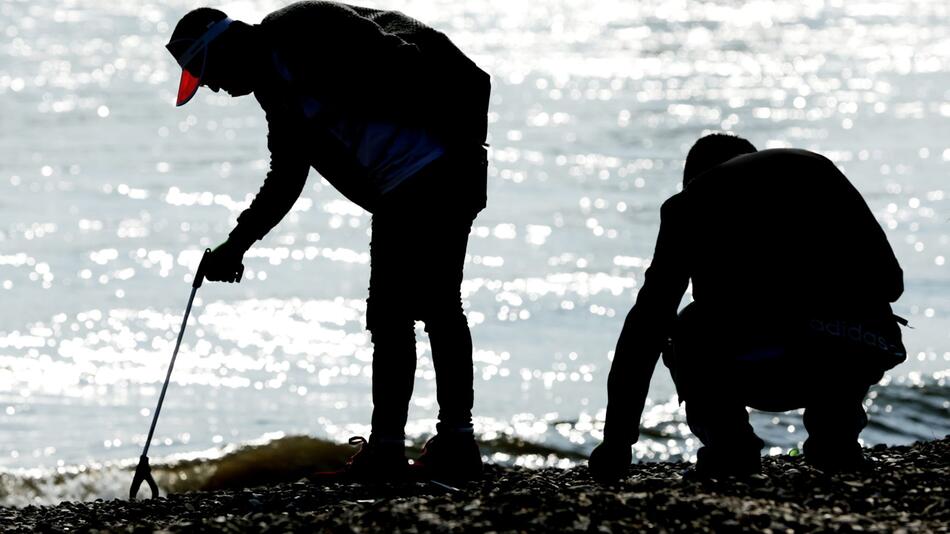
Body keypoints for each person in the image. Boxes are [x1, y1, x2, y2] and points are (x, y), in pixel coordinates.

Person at [165, 2, 490, 482]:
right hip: (412, 181)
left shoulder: (299, 25)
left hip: (432, 170)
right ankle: (453, 445)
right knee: (434, 307)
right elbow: (287, 176)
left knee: (397, 312)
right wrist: (237, 243)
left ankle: (391, 452)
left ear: (225, 47)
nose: (212, 87)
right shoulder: (276, 93)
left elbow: (402, 56)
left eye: (205, 73)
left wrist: (452, 140)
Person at [589, 133, 906, 480]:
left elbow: (646, 327)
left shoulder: (688, 205)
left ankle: (731, 447)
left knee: (688, 327)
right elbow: (891, 283)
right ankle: (836, 439)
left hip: (763, 358)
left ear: (691, 179)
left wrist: (617, 442)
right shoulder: (815, 169)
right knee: (860, 312)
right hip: (856, 344)